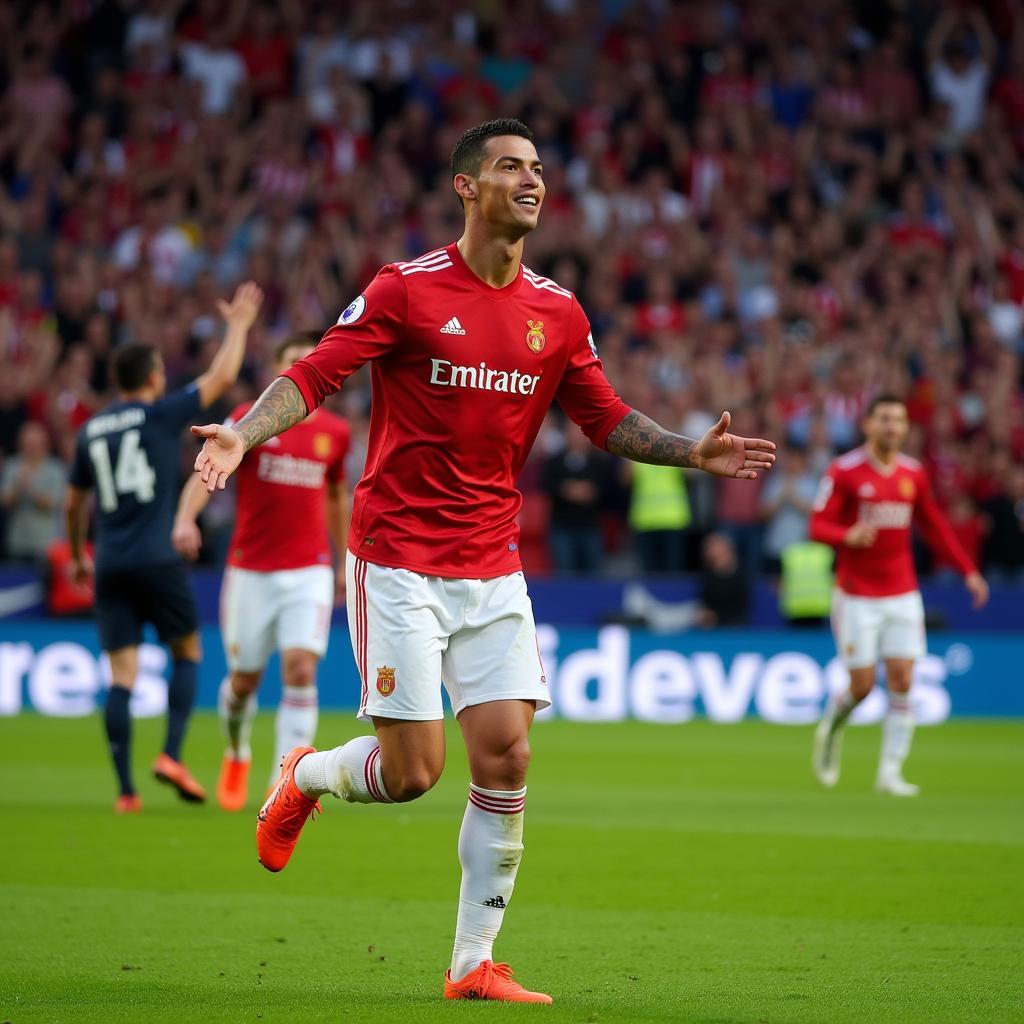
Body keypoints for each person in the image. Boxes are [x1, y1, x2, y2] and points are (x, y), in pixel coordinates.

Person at [191, 119, 775, 1004]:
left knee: (506, 758)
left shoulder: (558, 310)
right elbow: (314, 375)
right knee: (415, 772)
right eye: (510, 168)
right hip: (398, 559)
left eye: (538, 168)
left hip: (493, 566)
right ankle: (304, 774)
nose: (531, 181)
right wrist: (240, 432)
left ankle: (473, 964)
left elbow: (605, 417)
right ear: (467, 187)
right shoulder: (406, 289)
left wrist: (692, 453)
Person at [65, 281, 263, 813]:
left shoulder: (90, 431)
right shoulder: (159, 413)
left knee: (122, 677)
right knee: (188, 652)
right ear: (153, 377)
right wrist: (239, 325)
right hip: (156, 555)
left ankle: (126, 793)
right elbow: (221, 377)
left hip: (108, 562)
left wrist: (79, 555)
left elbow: (74, 503)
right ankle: (172, 754)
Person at [172, 336, 350, 811]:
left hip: (308, 569)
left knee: (300, 667)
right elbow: (208, 465)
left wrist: (341, 559)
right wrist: (185, 518)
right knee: (243, 683)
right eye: (292, 361)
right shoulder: (251, 418)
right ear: (277, 370)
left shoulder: (335, 432)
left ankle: (284, 784)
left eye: (307, 361)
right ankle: (236, 751)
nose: (301, 367)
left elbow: (336, 496)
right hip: (251, 570)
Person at [809, 395, 989, 797]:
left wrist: (968, 570)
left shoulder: (913, 474)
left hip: (903, 592)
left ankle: (890, 772)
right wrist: (846, 535)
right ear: (868, 425)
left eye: (899, 420)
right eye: (885, 419)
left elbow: (934, 526)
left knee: (904, 679)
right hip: (856, 594)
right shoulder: (845, 471)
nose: (892, 426)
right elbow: (817, 526)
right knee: (861, 687)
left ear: (906, 428)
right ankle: (831, 730)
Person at [0, 421, 66, 561]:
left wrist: (30, 487)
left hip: (46, 543)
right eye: (27, 444)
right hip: (18, 542)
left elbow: (53, 503)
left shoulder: (56, 468)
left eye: (34, 444)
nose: (31, 448)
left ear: (44, 444)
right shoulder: (12, 465)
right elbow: (5, 503)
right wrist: (18, 486)